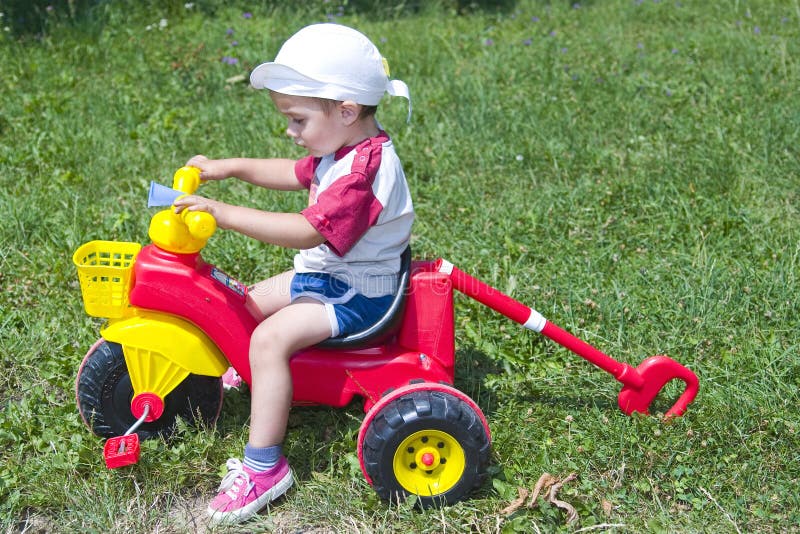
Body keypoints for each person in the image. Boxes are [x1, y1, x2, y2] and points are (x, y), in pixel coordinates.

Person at [172, 23, 413, 525]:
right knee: (246, 303)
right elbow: (290, 171)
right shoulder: (342, 149)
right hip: (331, 278)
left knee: (266, 338)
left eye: (298, 119)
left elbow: (306, 232)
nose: (292, 131)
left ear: (346, 110)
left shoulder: (363, 175)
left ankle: (265, 467)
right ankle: (260, 378)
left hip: (359, 296)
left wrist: (223, 212)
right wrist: (227, 166)